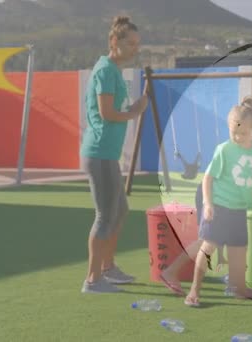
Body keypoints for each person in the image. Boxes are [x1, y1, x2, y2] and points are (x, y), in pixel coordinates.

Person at [159, 125, 252, 296]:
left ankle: (234, 284)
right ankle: (172, 272)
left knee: (229, 241)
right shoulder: (243, 153)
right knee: (208, 240)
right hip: (214, 197)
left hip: (225, 200)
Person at [183, 96, 252, 306]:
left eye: (243, 133)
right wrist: (208, 204)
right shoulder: (224, 150)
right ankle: (194, 290)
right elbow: (207, 179)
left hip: (239, 209)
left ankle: (240, 288)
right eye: (233, 132)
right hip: (219, 208)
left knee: (239, 250)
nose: (237, 137)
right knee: (208, 247)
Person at [80, 16, 148, 293]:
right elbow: (107, 113)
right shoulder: (106, 70)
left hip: (108, 153)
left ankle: (107, 268)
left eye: (137, 44)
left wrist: (136, 105)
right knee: (105, 216)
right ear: (114, 42)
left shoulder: (113, 70)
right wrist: (134, 112)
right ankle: (93, 280)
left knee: (120, 210)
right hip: (100, 153)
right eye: (130, 43)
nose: (135, 49)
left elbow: (113, 111)